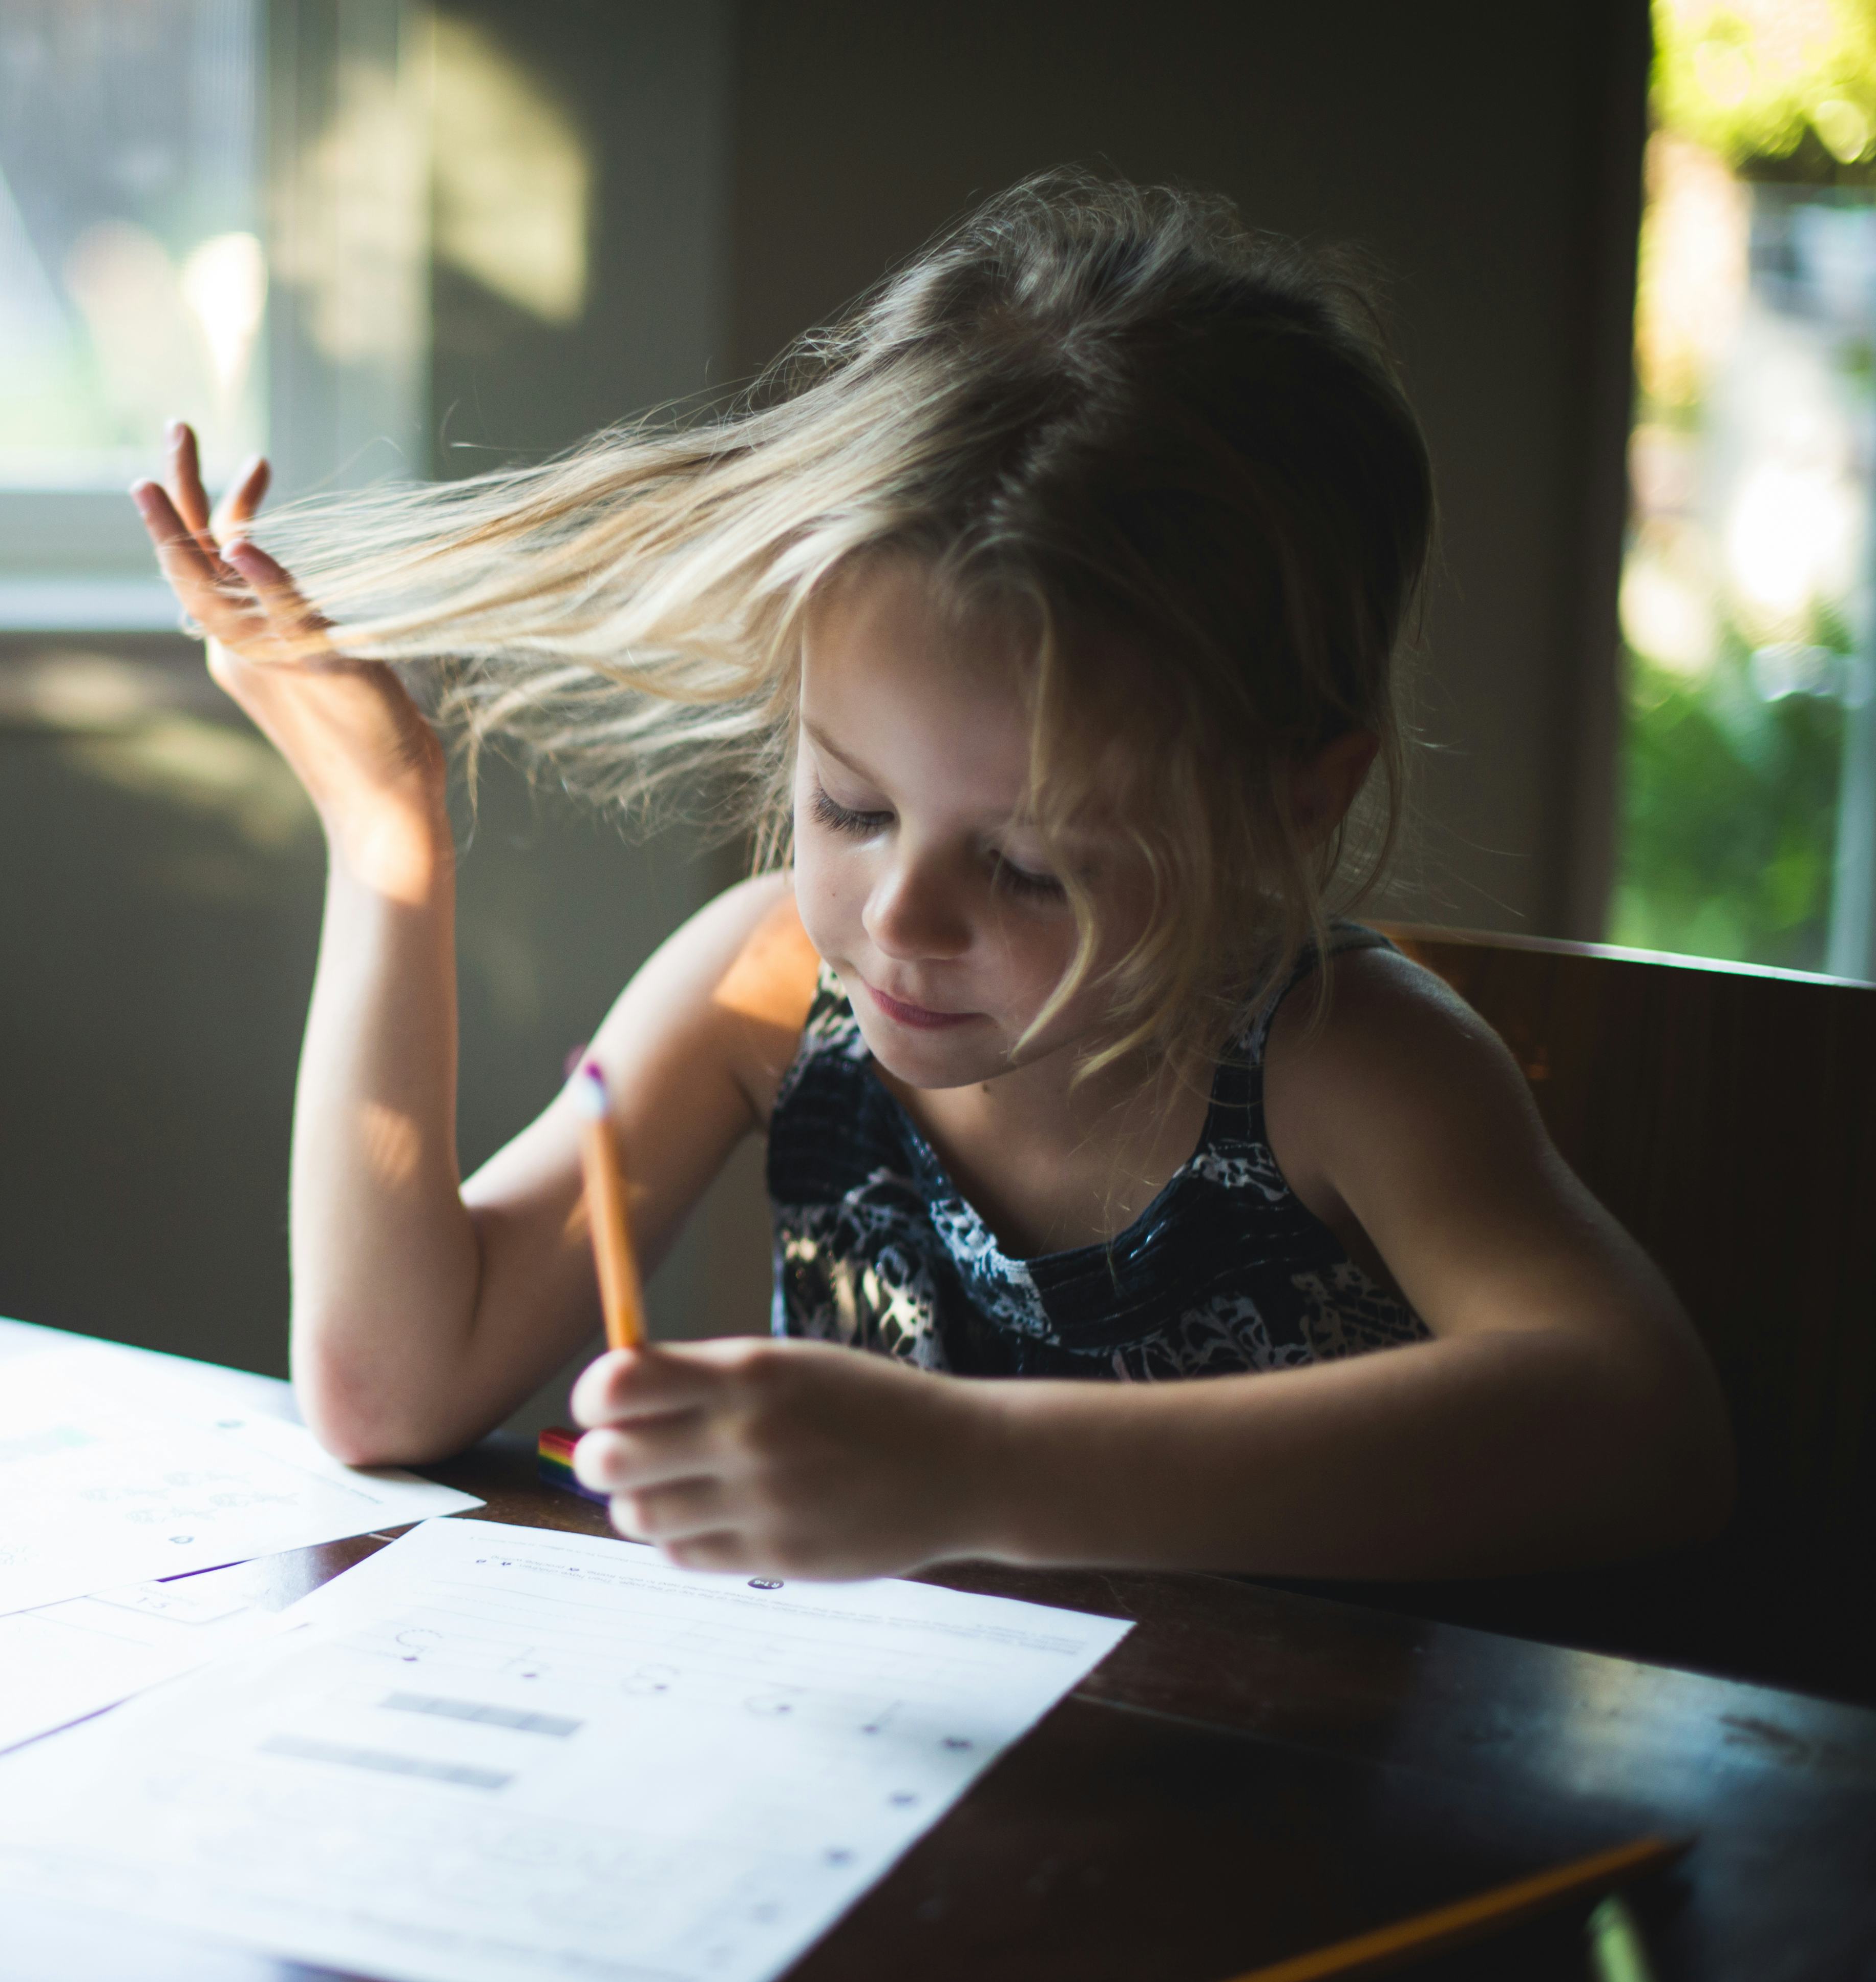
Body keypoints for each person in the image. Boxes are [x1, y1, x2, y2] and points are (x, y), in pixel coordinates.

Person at [129, 173, 1731, 1584]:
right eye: (848, 805)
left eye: (1030, 866)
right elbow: (385, 1391)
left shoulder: (1340, 1069)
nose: (899, 922)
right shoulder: (767, 989)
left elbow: (1645, 1432)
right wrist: (386, 840)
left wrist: (973, 1471)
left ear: (1298, 800)